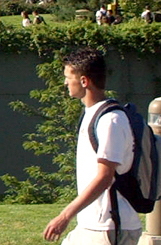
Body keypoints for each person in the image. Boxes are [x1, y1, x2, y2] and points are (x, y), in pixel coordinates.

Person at [42, 48, 141, 245]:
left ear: (84, 81)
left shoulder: (110, 120)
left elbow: (105, 177)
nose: (65, 83)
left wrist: (64, 216)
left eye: (68, 77)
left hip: (109, 226)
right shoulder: (92, 113)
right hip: (92, 225)